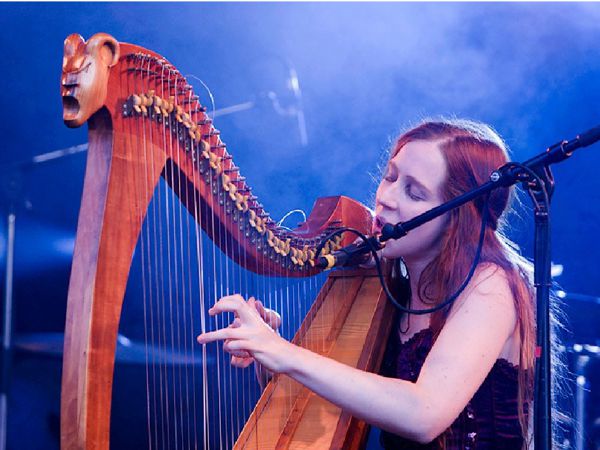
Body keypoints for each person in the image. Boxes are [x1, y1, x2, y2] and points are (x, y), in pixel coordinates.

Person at [197, 119, 537, 449]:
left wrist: (284, 353)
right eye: (390, 177)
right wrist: (265, 350)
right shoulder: (390, 282)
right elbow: (333, 393)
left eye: (414, 192)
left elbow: (423, 415)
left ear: (456, 220)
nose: (386, 197)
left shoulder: (490, 286)